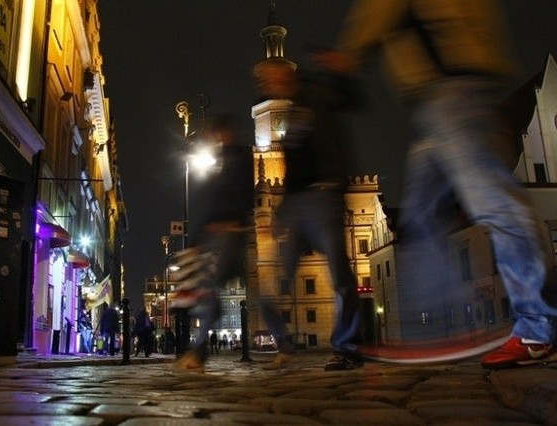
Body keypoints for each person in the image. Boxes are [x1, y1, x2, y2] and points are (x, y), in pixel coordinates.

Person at [313, 0, 557, 369]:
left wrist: (346, 54)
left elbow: (378, 12)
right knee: (420, 217)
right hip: (439, 95)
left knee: (497, 206)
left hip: (454, 86)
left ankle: (538, 329)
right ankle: (432, 329)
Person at [253, 59, 365, 371]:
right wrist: (283, 211)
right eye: (263, 80)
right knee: (277, 282)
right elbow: (292, 170)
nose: (266, 83)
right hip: (298, 204)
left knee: (340, 275)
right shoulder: (291, 115)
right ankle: (285, 344)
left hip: (323, 196)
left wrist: (337, 184)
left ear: (287, 73)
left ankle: (347, 348)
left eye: (269, 76)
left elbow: (347, 113)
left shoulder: (316, 98)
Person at [170, 114, 254, 372]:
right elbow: (215, 205)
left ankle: (197, 354)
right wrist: (197, 240)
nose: (212, 138)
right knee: (246, 294)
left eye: (215, 134)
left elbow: (239, 195)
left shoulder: (237, 158)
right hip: (222, 234)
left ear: (223, 132)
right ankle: (285, 344)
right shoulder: (227, 160)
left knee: (214, 292)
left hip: (229, 233)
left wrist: (233, 222)